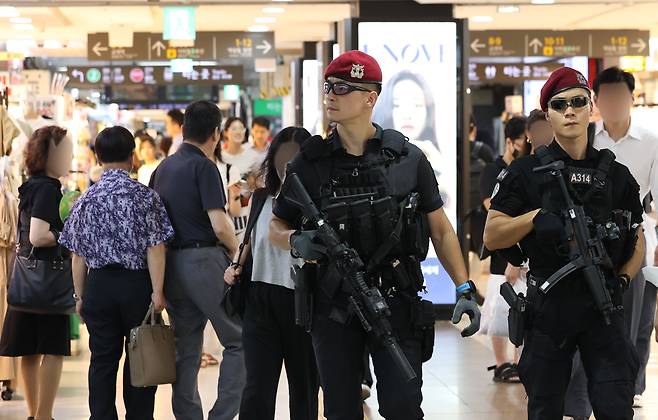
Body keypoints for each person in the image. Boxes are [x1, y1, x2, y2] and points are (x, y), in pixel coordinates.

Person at [269, 50, 480, 420]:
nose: (331, 95)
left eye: (343, 88)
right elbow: (277, 224)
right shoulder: (310, 162)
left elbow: (440, 227)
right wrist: (294, 241)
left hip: (395, 301)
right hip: (333, 304)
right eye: (329, 87)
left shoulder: (407, 159)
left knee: (402, 405)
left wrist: (463, 287)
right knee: (341, 409)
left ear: (370, 97)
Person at [484, 67, 645, 420]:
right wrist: (534, 217)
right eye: (559, 105)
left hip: (603, 307)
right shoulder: (525, 173)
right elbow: (492, 234)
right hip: (550, 308)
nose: (569, 111)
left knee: (615, 404)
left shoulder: (617, 176)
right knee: (545, 407)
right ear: (548, 114)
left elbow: (637, 238)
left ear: (591, 107)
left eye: (577, 102)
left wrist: (623, 279)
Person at [59, 126, 174, 420]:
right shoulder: (145, 196)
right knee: (141, 358)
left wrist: (79, 296)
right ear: (132, 157)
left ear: (98, 158)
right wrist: (158, 291)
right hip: (137, 286)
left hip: (98, 286)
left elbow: (77, 256)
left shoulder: (84, 200)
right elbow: (156, 248)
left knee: (102, 360)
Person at [563, 66, 658, 418]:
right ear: (596, 101)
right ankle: (578, 402)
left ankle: (625, 391)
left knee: (633, 326)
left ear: (631, 98)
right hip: (586, 245)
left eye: (621, 95)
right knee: (583, 324)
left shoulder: (651, 142)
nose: (615, 102)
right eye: (607, 96)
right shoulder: (586, 138)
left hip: (635, 243)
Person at [151, 100, 243, 420]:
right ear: (216, 134)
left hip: (171, 264)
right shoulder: (204, 167)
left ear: (184, 128)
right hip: (204, 262)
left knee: (186, 348)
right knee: (238, 340)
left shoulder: (162, 168)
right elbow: (219, 223)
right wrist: (236, 253)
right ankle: (221, 416)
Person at [224, 126, 319, 420]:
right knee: (257, 386)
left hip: (303, 301)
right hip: (259, 297)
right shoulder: (263, 195)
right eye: (281, 157)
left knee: (303, 385)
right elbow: (252, 237)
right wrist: (237, 264)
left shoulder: (316, 200)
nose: (287, 164)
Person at [0, 126, 73, 420]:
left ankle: (35, 414)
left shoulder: (31, 185)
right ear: (49, 154)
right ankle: (44, 415)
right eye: (65, 150)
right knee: (52, 349)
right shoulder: (48, 189)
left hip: (27, 282)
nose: (69, 156)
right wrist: (67, 233)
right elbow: (38, 236)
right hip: (48, 283)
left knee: (29, 349)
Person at [478, 116, 530, 383]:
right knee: (501, 306)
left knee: (525, 304)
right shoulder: (494, 169)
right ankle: (502, 364)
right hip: (501, 248)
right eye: (523, 139)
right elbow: (492, 207)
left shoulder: (529, 169)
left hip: (527, 245)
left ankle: (521, 362)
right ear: (510, 142)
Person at [222, 117, 262, 242]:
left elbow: (259, 183)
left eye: (241, 128)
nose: (238, 132)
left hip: (247, 210)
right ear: (225, 132)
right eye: (234, 128)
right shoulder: (221, 157)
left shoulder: (253, 155)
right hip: (225, 211)